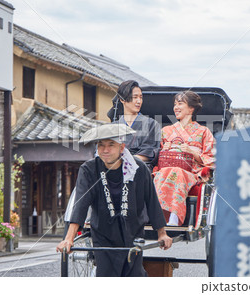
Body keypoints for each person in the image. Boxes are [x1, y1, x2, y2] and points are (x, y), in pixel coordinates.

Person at [56, 123, 172, 277]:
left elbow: (151, 201)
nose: (105, 150)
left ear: (121, 147)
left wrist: (162, 233)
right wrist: (69, 239)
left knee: (133, 275)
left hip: (133, 230)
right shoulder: (89, 169)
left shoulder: (138, 168)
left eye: (111, 145)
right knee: (106, 276)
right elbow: (81, 204)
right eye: (101, 145)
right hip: (103, 232)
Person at [153, 91, 215, 226]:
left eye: (180, 104)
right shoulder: (166, 130)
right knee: (162, 173)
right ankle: (156, 216)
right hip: (167, 168)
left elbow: (211, 157)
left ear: (191, 108)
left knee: (177, 172)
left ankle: (174, 216)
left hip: (192, 172)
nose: (176, 107)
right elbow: (159, 155)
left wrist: (192, 152)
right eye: (175, 104)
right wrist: (166, 148)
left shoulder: (204, 131)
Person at [107, 80, 161, 164]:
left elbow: (150, 151)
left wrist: (125, 160)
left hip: (141, 167)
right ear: (122, 99)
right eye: (135, 97)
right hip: (114, 166)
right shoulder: (112, 127)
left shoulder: (151, 124)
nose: (139, 101)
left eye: (141, 97)